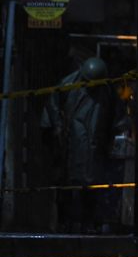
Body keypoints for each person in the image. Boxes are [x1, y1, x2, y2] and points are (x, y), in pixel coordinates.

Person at [41, 57, 115, 233]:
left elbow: (112, 116)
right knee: (68, 184)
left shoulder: (105, 90)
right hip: (72, 142)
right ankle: (67, 221)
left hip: (93, 142)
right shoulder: (69, 85)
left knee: (90, 186)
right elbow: (52, 108)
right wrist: (58, 128)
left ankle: (86, 222)